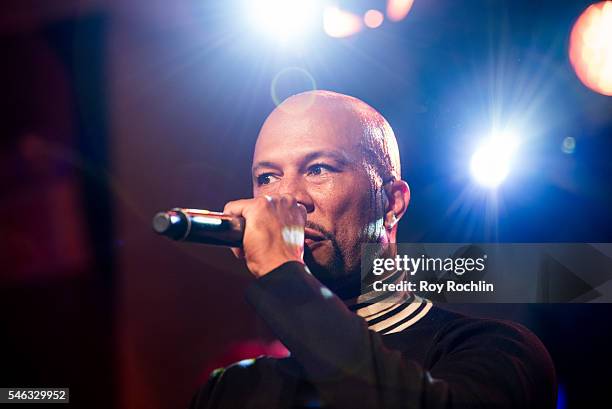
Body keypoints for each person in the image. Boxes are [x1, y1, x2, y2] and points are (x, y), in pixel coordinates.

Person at [188, 90, 557, 409]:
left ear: (392, 203)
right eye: (267, 177)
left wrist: (282, 274)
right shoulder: (232, 391)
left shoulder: (497, 352)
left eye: (318, 169)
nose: (287, 199)